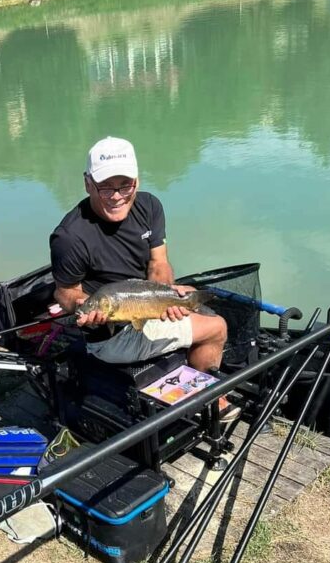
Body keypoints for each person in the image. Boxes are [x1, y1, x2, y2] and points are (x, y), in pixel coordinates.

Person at [49, 135, 230, 380]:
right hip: (109, 338)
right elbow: (64, 292)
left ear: (137, 180)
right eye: (105, 186)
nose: (116, 196)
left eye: (125, 185)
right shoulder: (70, 236)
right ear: (87, 183)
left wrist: (167, 295)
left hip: (143, 310)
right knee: (216, 328)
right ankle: (206, 401)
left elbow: (159, 263)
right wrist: (84, 305)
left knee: (192, 311)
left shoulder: (149, 207)